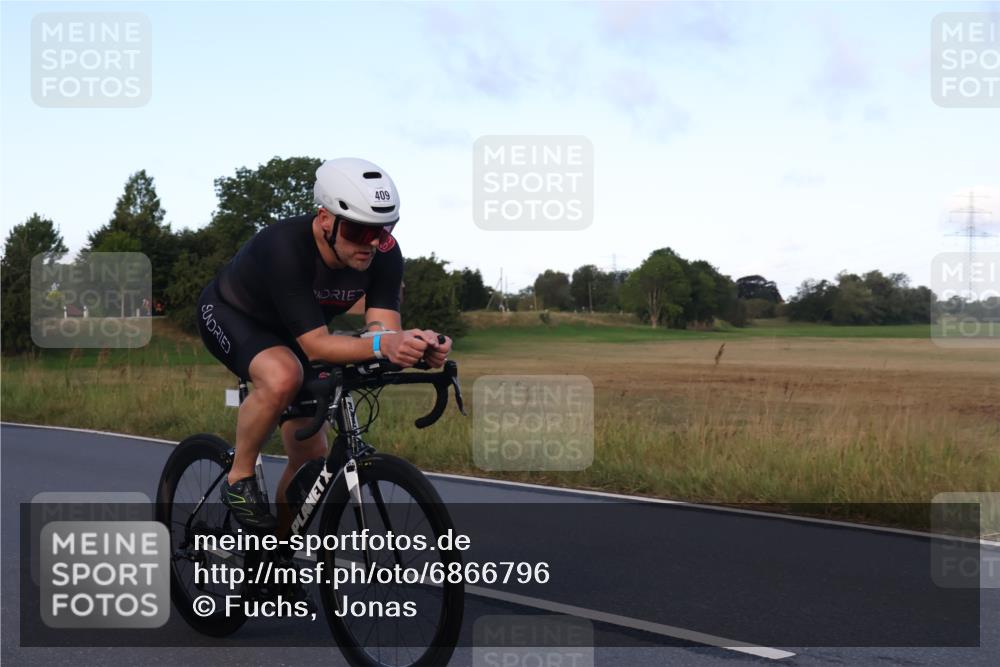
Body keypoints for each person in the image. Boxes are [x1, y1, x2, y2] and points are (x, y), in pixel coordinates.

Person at [195, 158, 451, 532]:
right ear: (325, 218)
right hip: (233, 315)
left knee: (310, 460)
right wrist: (385, 344)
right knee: (283, 375)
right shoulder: (284, 245)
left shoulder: (383, 252)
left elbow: (379, 333)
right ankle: (238, 479)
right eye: (359, 232)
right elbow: (317, 346)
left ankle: (275, 555)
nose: (372, 244)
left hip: (298, 330)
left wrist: (415, 348)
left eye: (383, 231)